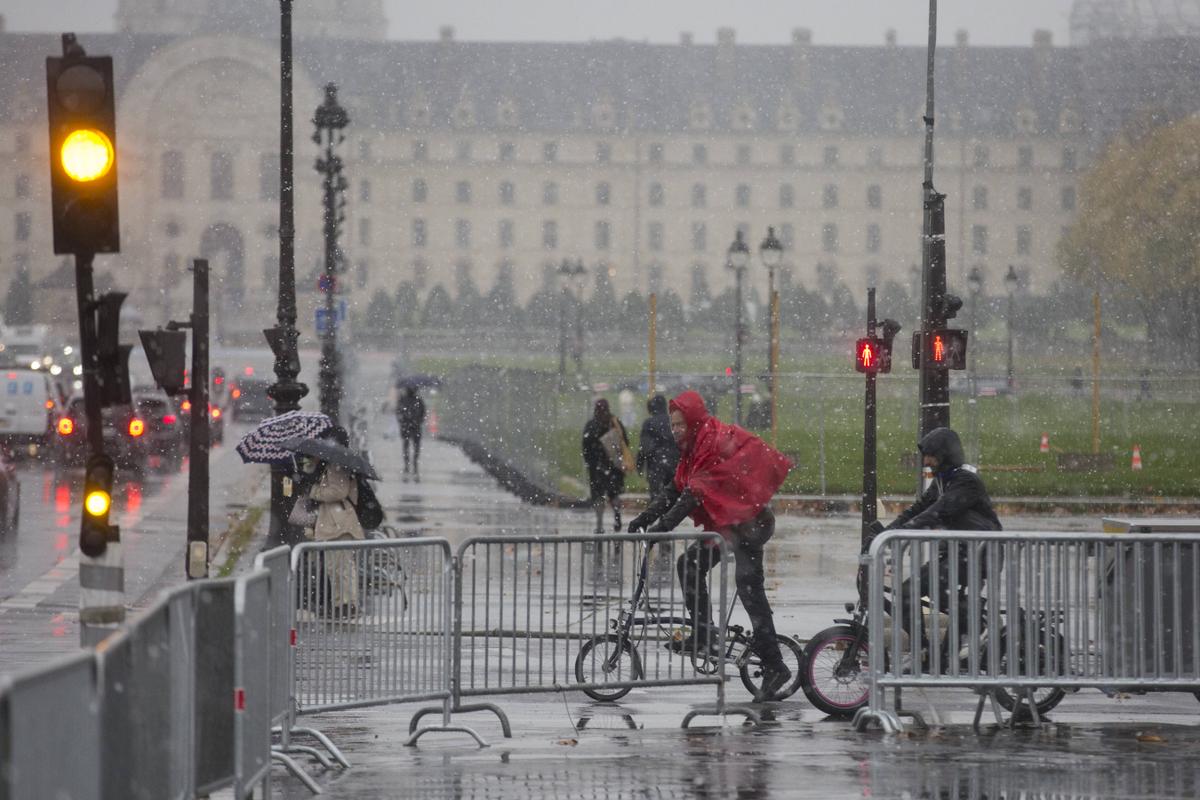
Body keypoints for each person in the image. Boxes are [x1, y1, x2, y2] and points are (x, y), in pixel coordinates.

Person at [626, 390, 794, 702]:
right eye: (672, 425)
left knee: (748, 586)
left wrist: (662, 528)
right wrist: (644, 518)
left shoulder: (710, 442)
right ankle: (704, 634)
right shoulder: (691, 448)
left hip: (749, 524)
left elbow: (693, 494)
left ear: (692, 422)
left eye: (679, 424)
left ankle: (775, 665)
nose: (675, 430)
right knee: (689, 565)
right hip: (729, 523)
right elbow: (674, 490)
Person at [875, 427, 1002, 616]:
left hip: (978, 555)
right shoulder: (943, 481)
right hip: (957, 554)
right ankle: (960, 625)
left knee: (909, 593)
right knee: (913, 593)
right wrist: (886, 532)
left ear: (945, 455)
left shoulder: (966, 482)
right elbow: (918, 509)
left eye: (931, 456)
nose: (926, 461)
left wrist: (901, 532)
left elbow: (937, 512)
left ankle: (970, 625)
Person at [299, 426, 365, 617]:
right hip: (333, 522)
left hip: (339, 522)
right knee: (334, 567)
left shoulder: (337, 466)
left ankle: (347, 605)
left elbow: (338, 492)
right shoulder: (331, 464)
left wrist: (314, 492)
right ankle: (340, 604)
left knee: (341, 566)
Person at [581, 398, 628, 534]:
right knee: (614, 495)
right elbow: (625, 442)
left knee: (598, 496)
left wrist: (590, 462)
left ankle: (599, 523)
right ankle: (617, 517)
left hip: (597, 469)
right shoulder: (614, 423)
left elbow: (585, 446)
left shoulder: (591, 425)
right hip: (614, 467)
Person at [635, 394, 679, 502]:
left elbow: (644, 446)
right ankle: (669, 515)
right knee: (671, 492)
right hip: (673, 462)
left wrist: (640, 463)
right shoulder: (672, 421)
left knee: (656, 495)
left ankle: (659, 514)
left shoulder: (649, 423)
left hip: (655, 464)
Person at [396, 386, 426, 477]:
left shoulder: (403, 400)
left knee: (407, 446)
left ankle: (408, 465)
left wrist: (403, 421)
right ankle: (413, 465)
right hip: (414, 426)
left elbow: (399, 413)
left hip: (407, 426)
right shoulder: (418, 400)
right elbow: (423, 413)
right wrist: (418, 421)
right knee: (414, 446)